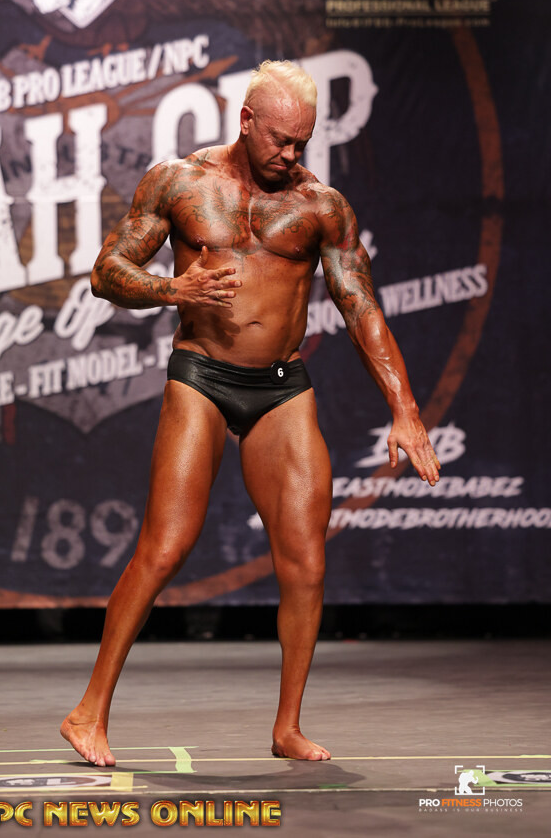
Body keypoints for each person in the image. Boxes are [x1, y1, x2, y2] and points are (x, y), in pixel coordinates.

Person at [60, 59, 440, 766]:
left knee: (305, 562)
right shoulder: (179, 181)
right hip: (202, 375)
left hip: (281, 386)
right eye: (280, 139)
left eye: (302, 142)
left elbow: (360, 305)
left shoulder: (322, 207)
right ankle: (88, 712)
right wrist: (175, 290)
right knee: (165, 547)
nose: (291, 154)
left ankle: (286, 727)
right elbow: (106, 273)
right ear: (246, 120)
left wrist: (405, 409)